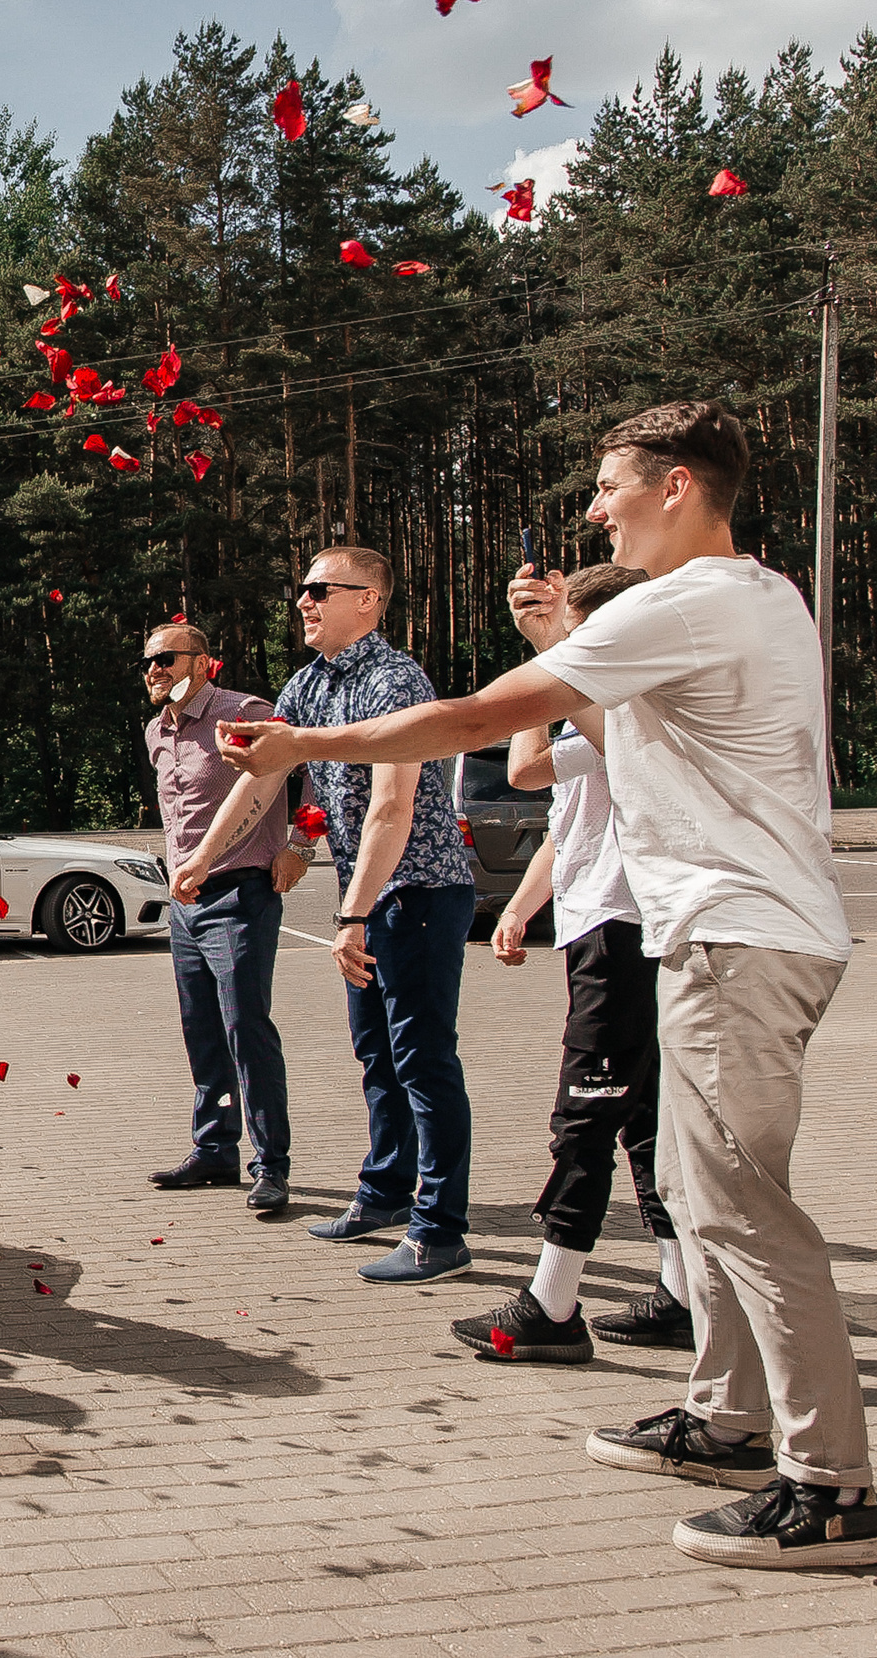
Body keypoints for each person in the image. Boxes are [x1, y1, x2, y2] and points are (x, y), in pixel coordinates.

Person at [221, 401, 871, 1570]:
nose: (591, 505)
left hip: (738, 938)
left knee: (742, 1207)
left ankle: (831, 1481)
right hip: (723, 933)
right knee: (691, 1182)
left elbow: (480, 718)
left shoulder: (693, 599)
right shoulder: (757, 591)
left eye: (608, 482)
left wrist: (302, 746)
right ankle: (725, 1421)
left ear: (676, 484)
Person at [453, 561, 687, 1365]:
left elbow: (534, 755)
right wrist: (521, 906)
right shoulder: (597, 714)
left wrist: (552, 649)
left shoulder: (640, 707)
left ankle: (552, 1304)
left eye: (588, 634)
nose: (575, 650)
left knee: (586, 1116)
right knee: (646, 1118)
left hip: (630, 926)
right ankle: (681, 1293)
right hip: (597, 920)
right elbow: (548, 793)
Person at [253, 547, 477, 1285]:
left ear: (370, 601)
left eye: (320, 589)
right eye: (300, 590)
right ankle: (383, 1196)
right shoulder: (308, 683)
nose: (304, 603)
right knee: (376, 1059)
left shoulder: (394, 680)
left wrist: (351, 917)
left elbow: (393, 807)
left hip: (417, 894)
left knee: (422, 1062)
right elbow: (268, 775)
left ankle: (440, 1232)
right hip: (368, 898)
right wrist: (202, 859)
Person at [144, 625, 304, 1213]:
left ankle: (272, 1165)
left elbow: (312, 776)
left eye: (167, 658)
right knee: (203, 1032)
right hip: (185, 903)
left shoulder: (245, 713)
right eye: (148, 661)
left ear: (205, 662)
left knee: (246, 1029)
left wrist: (302, 848)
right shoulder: (156, 732)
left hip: (241, 895)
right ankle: (215, 1149)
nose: (155, 669)